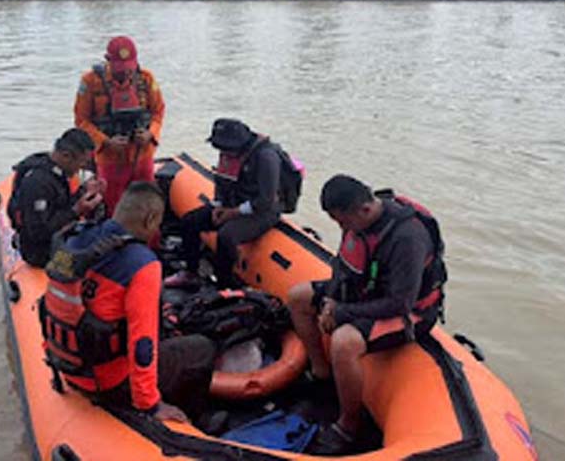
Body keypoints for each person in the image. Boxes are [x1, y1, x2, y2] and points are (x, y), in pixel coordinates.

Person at [288, 175, 447, 456]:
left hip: (409, 311)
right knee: (298, 296)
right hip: (366, 293)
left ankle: (348, 426)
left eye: (343, 222)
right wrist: (331, 299)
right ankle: (321, 374)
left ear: (364, 209)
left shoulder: (407, 238)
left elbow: (400, 302)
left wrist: (342, 312)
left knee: (344, 342)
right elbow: (342, 266)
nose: (342, 228)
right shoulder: (357, 221)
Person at [42, 181, 218, 425]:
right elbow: (142, 344)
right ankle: (194, 418)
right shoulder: (143, 263)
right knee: (202, 348)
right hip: (109, 381)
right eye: (157, 224)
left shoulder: (74, 239)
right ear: (150, 219)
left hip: (68, 364)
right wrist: (150, 405)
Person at [166, 118, 282, 289]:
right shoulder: (227, 153)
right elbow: (222, 182)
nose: (222, 152)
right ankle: (190, 272)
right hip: (233, 203)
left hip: (261, 211)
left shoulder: (266, 157)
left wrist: (233, 212)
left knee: (227, 236)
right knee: (189, 221)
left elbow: (266, 200)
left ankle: (225, 283)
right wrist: (218, 205)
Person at [73, 36, 165, 215]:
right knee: (114, 208)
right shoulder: (90, 82)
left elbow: (158, 111)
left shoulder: (146, 79)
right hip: (110, 159)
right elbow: (81, 120)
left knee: (147, 207)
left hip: (142, 155)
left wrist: (150, 134)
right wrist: (106, 141)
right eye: (120, 69)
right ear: (108, 60)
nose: (125, 73)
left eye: (128, 68)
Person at [7, 128, 104, 268]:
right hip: (40, 253)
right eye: (82, 163)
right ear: (66, 156)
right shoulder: (37, 183)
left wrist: (84, 192)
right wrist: (76, 211)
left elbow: (59, 206)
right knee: (98, 262)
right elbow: (38, 233)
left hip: (58, 238)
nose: (82, 168)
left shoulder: (55, 172)